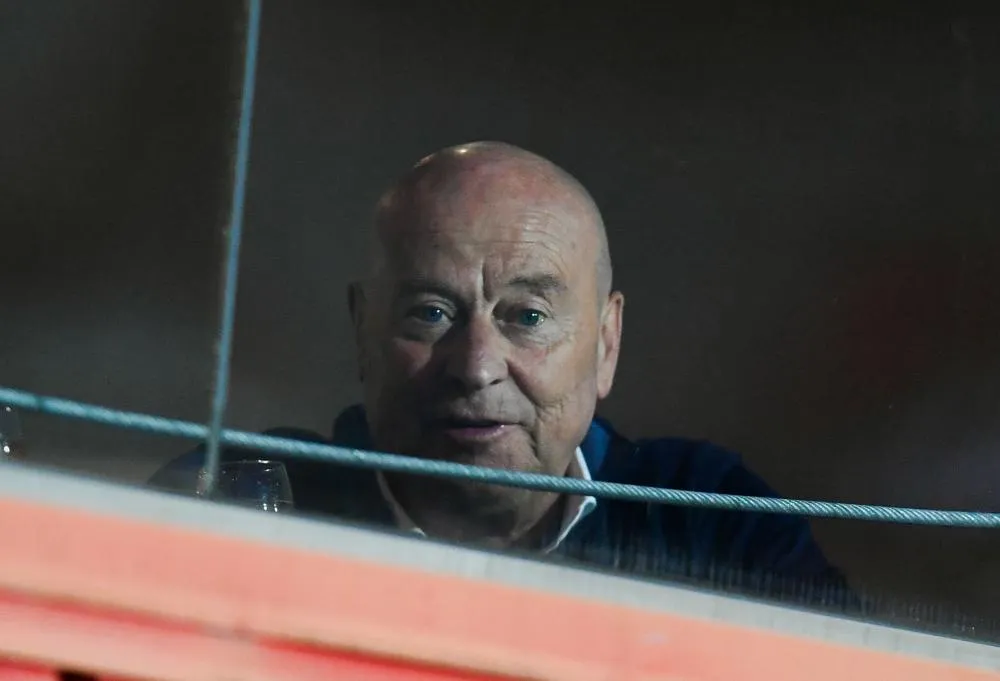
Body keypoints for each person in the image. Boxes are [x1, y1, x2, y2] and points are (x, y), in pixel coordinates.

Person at [151, 141, 850, 603]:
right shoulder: (250, 499)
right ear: (364, 332)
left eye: (528, 316)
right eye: (431, 313)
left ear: (606, 344)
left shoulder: (714, 524)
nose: (477, 366)